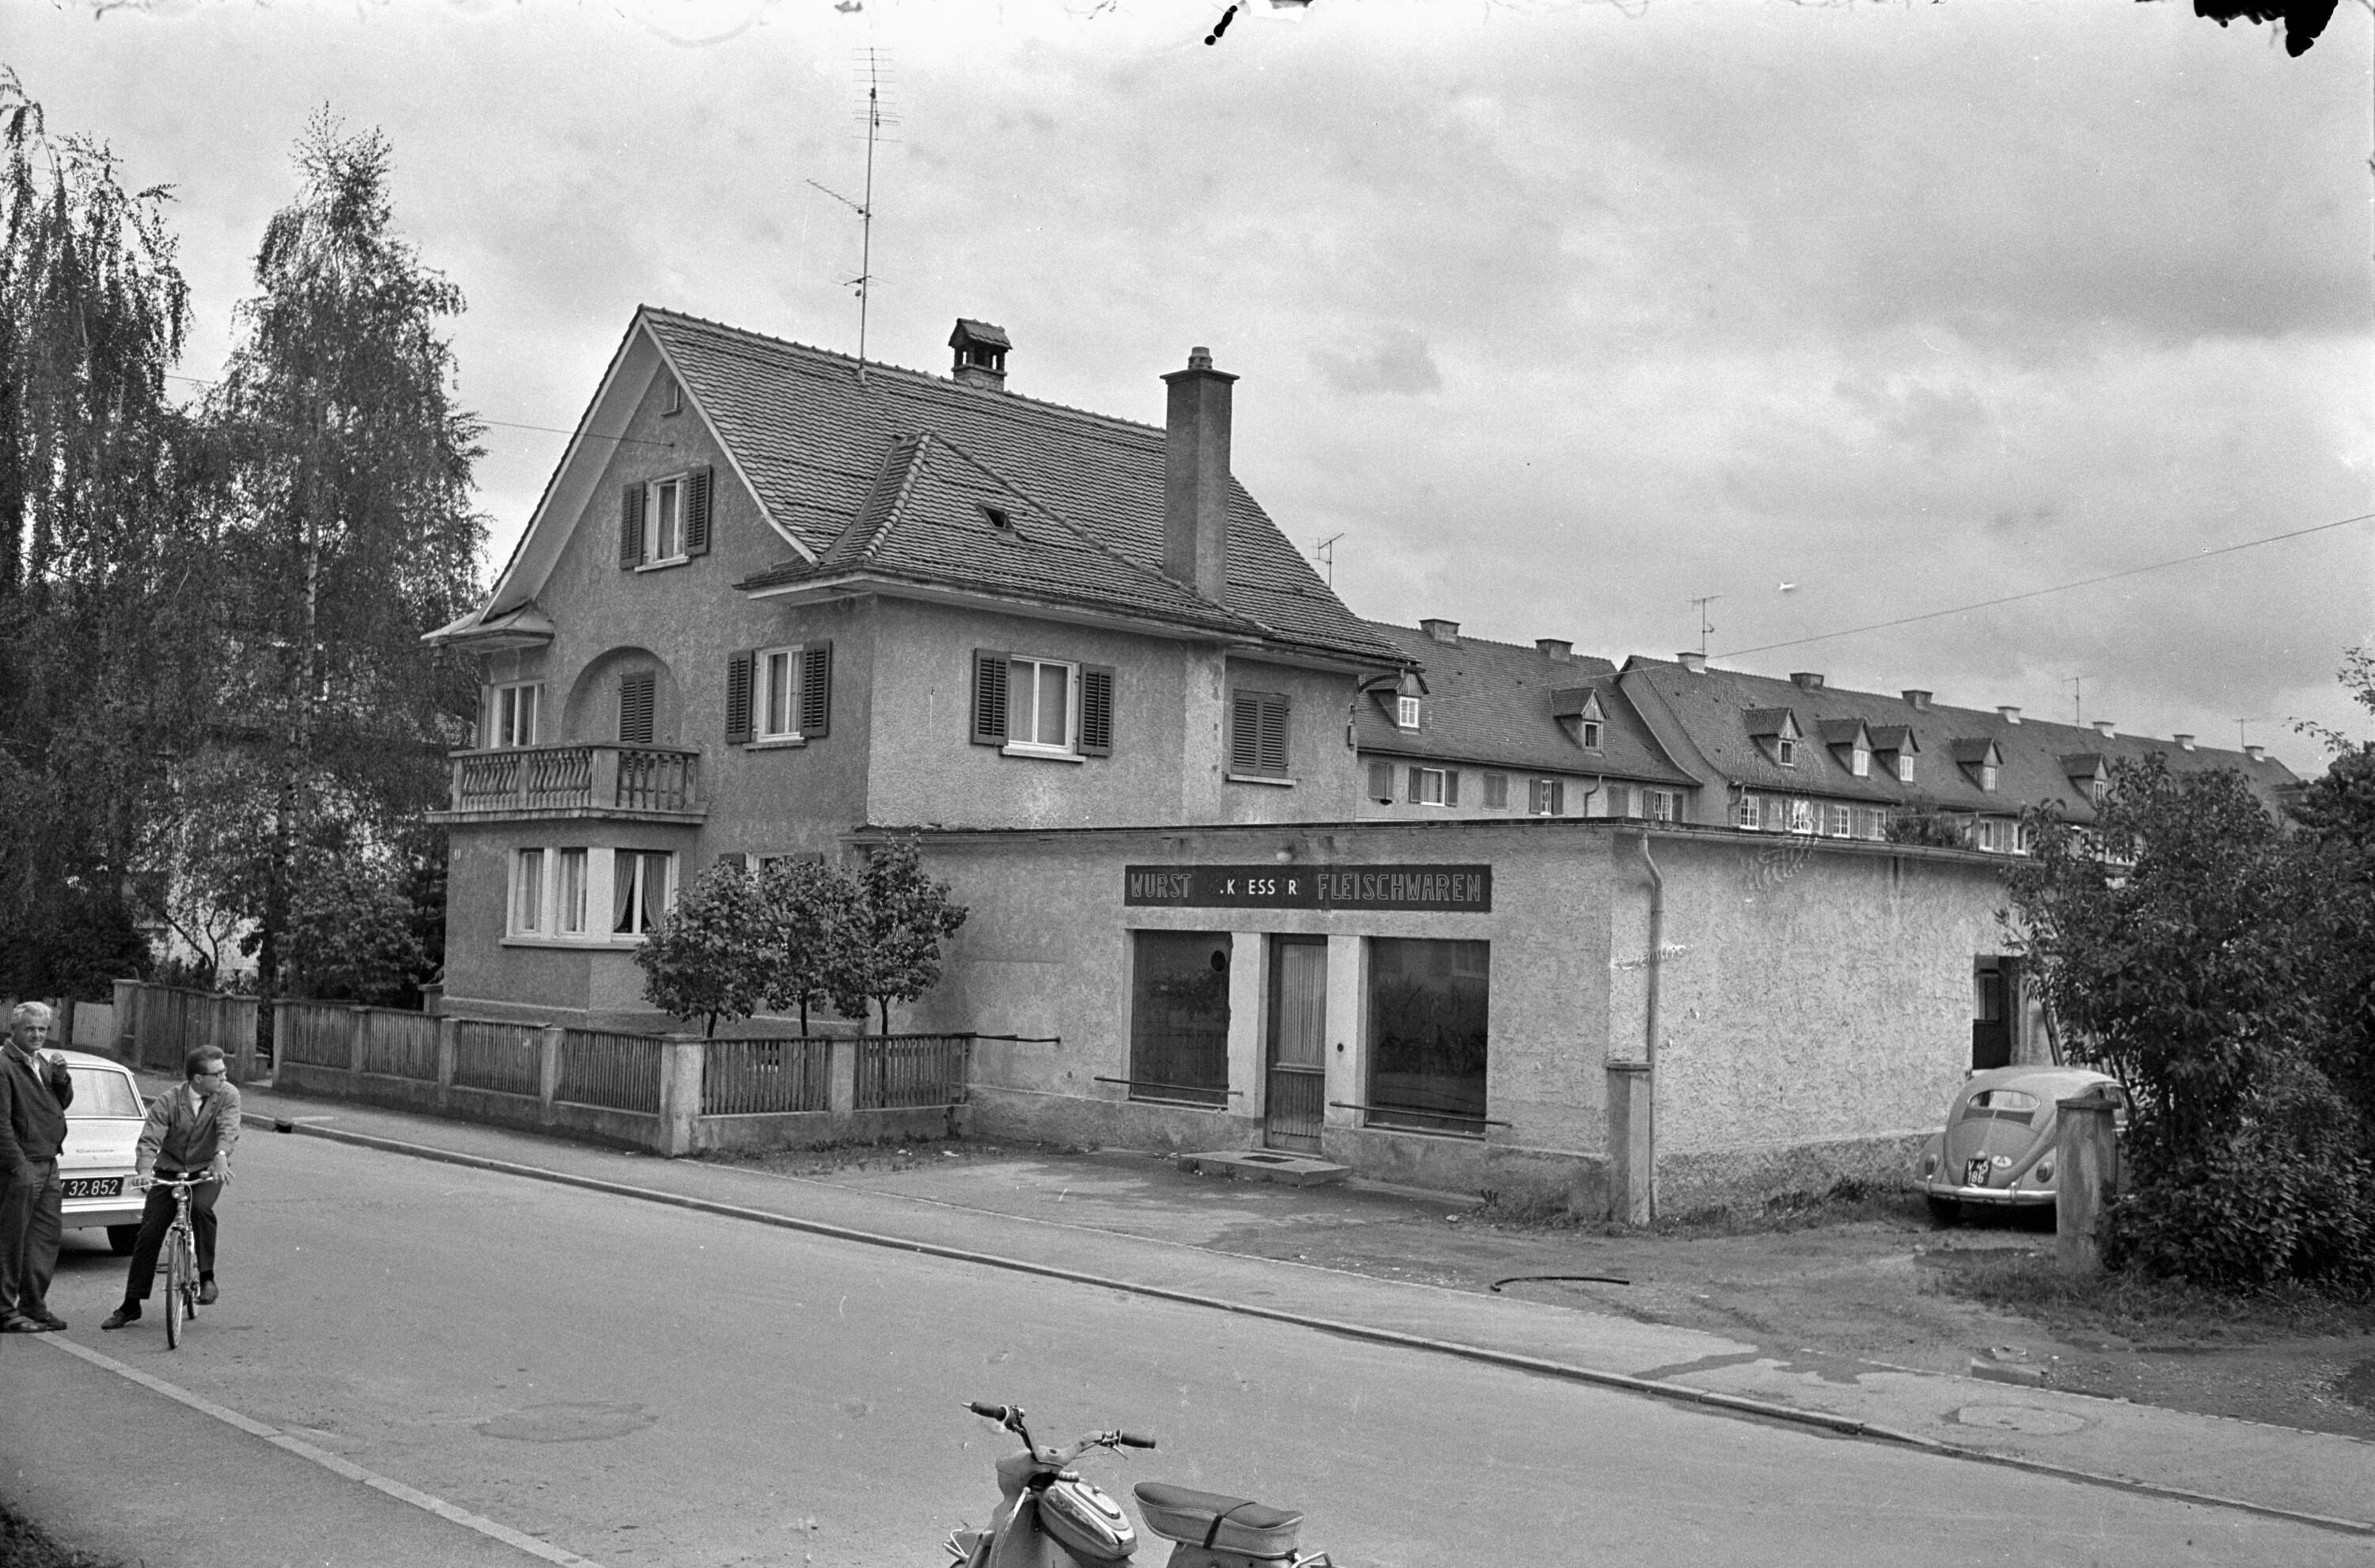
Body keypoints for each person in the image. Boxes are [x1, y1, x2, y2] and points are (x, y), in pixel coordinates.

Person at [101, 1045, 240, 1332]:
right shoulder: (169, 1100)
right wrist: (143, 1170)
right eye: (218, 1073)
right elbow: (151, 1137)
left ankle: (207, 1277)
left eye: (224, 1072)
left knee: (201, 1209)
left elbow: (228, 1128)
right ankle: (131, 1304)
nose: (224, 1077)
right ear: (197, 1078)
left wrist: (221, 1156)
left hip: (205, 1170)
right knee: (149, 1233)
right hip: (169, 1170)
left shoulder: (228, 1095)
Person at [0, 1000, 76, 1332]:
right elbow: (1, 1123)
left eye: (43, 1029)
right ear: (13, 1029)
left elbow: (58, 1104)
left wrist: (60, 1079)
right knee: (10, 1240)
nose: (37, 1035)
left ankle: (34, 1304)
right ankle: (4, 1311)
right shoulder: (4, 1065)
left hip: (48, 1160)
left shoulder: (40, 1062)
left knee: (44, 1238)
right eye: (30, 1028)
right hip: (22, 1165)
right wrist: (17, 1165)